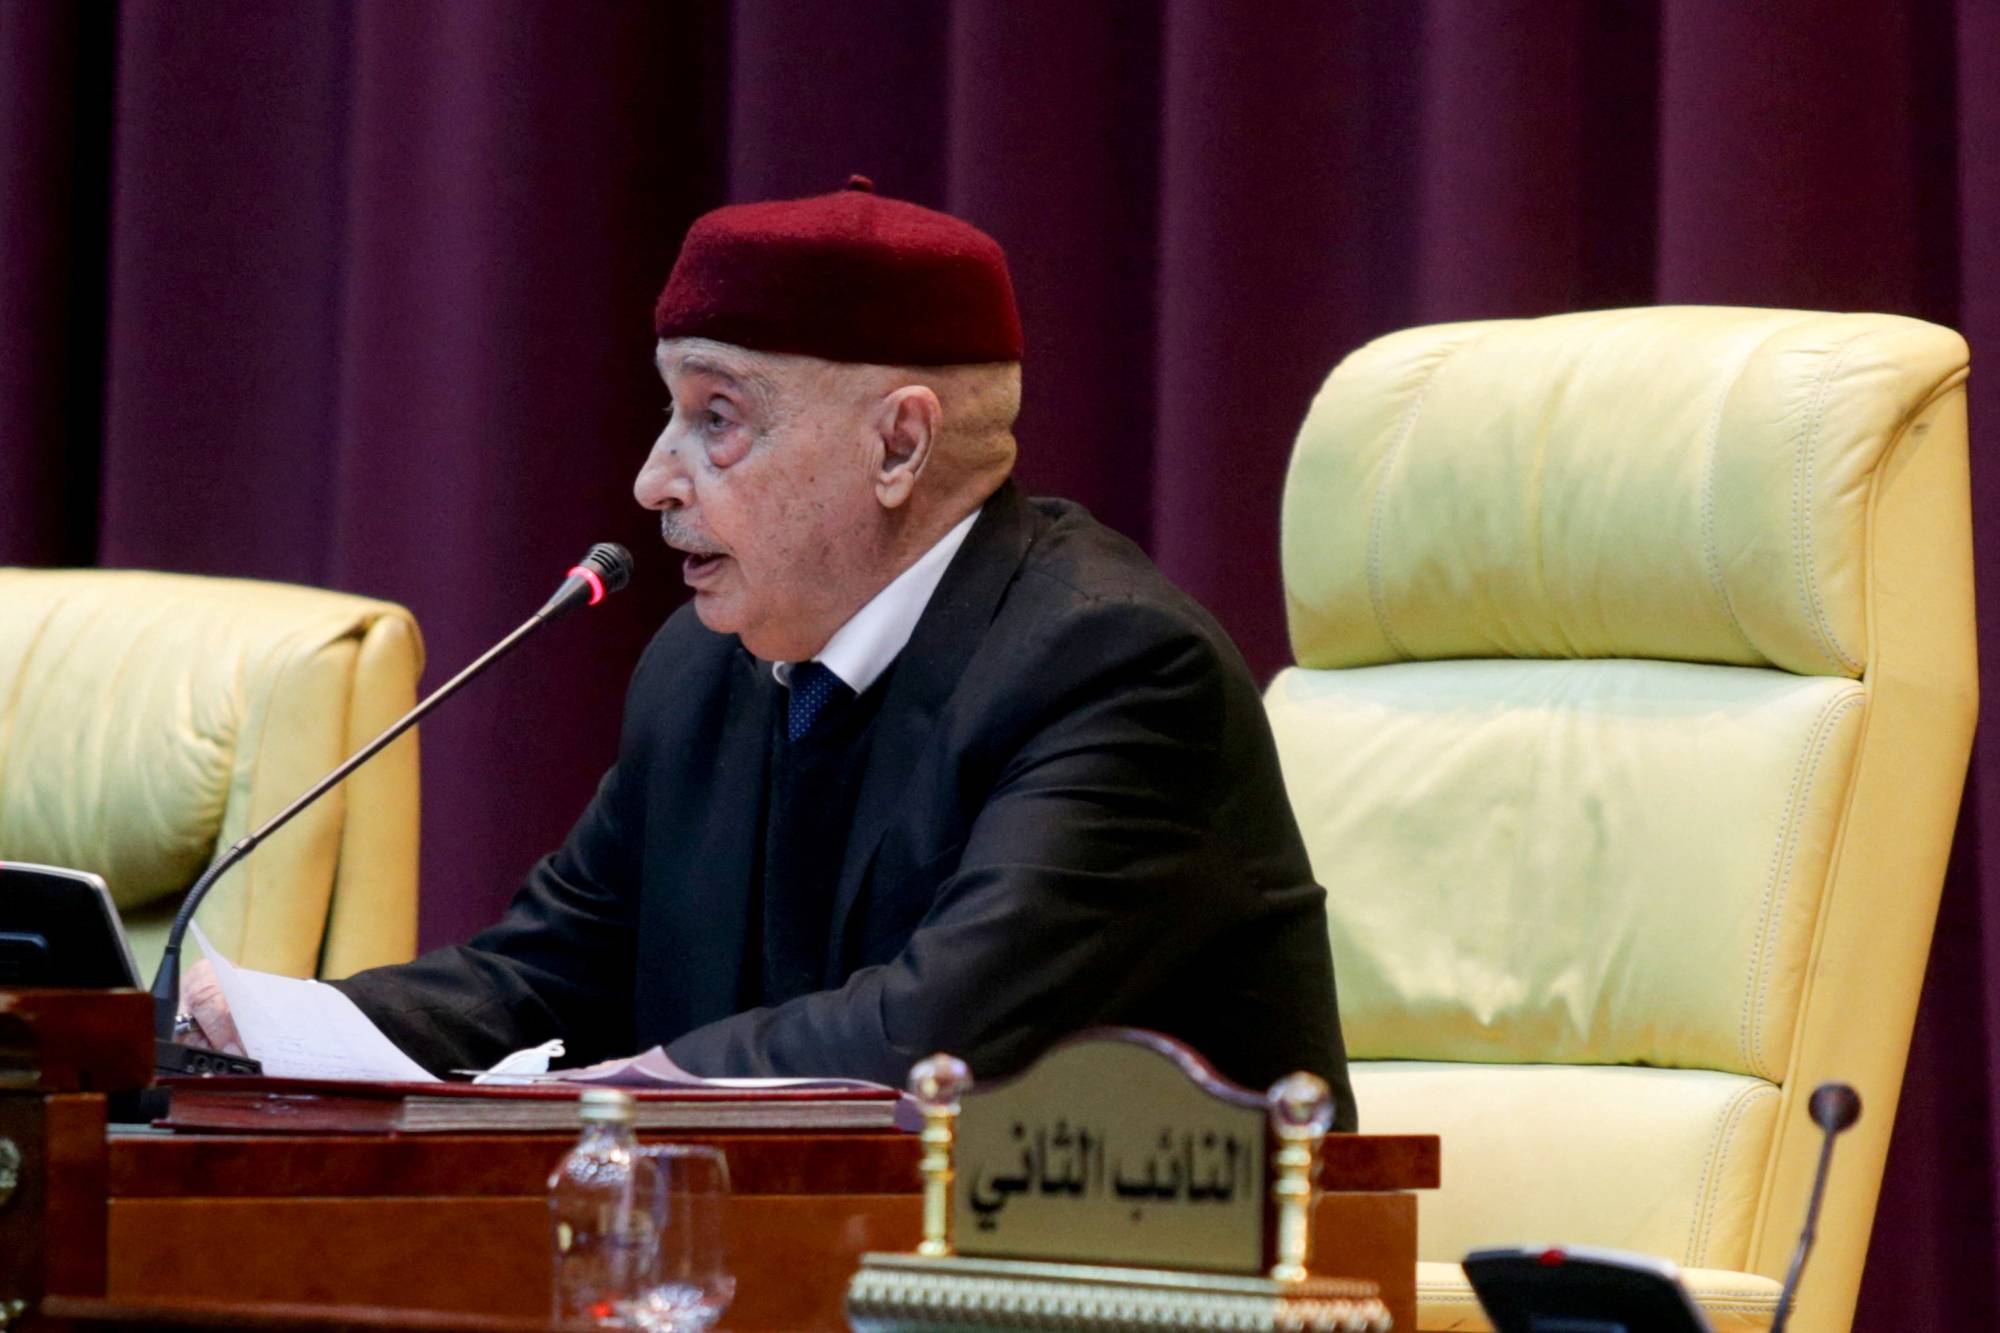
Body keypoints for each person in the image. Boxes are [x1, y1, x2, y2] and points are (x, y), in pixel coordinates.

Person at [185, 179, 1357, 1127]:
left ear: (898, 444)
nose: (652, 480)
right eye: (668, 413)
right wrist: (258, 1030)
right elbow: (547, 975)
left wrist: (597, 1093)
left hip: (1155, 1282)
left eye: (717, 419)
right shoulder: (707, 670)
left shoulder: (1112, 668)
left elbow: (926, 1039)